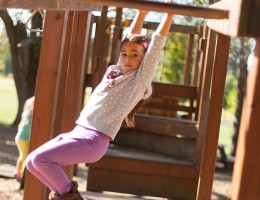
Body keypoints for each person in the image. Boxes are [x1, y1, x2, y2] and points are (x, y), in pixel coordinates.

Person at [25, 2, 174, 200]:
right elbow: (128, 39)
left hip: (93, 139)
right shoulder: (115, 72)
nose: (128, 58)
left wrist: (169, 14)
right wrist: (142, 13)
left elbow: (156, 44)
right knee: (31, 162)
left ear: (145, 61)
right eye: (125, 54)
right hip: (79, 130)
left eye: (135, 55)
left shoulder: (138, 80)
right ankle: (68, 195)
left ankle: (72, 196)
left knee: (40, 159)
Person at [15, 96, 35, 182]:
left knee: (23, 156)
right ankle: (20, 174)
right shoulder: (31, 111)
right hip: (23, 138)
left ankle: (18, 173)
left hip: (24, 138)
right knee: (25, 157)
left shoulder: (27, 110)